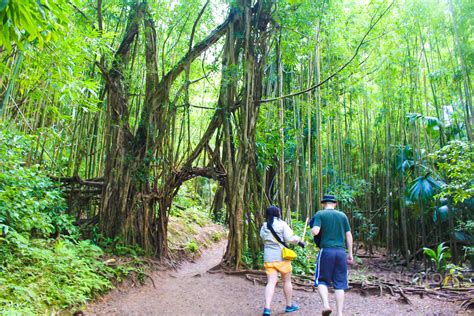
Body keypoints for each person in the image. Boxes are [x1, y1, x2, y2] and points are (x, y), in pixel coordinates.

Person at [310, 195, 353, 316]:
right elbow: (349, 235)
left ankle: (326, 305)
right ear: (334, 204)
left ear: (323, 204)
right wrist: (350, 254)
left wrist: (312, 228)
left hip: (327, 251)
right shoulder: (342, 215)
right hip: (340, 252)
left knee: (322, 280)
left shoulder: (320, 214)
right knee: (340, 283)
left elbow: (315, 231)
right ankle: (339, 313)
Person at [260, 205, 306, 316]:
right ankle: (289, 305)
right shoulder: (282, 224)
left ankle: (267, 308)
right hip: (281, 258)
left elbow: (262, 238)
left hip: (269, 258)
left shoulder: (264, 226)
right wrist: (300, 241)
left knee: (271, 283)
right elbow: (291, 238)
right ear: (277, 213)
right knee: (287, 281)